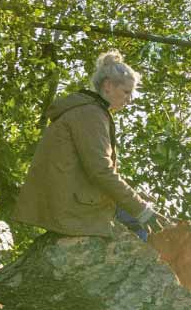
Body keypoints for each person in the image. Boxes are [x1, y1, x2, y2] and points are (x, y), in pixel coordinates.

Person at [14, 50, 164, 238]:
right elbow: (101, 171)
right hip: (72, 207)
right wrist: (141, 210)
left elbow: (94, 168)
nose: (130, 99)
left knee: (142, 205)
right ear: (108, 86)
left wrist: (137, 200)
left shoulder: (85, 110)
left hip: (65, 200)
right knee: (147, 224)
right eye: (126, 92)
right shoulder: (91, 114)